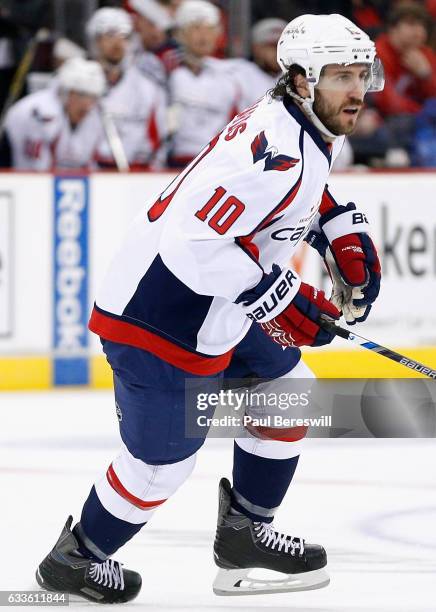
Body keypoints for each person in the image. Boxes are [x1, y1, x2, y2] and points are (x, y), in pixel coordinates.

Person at [36, 13, 383, 603]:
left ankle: (246, 533)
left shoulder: (300, 122)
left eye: (362, 75)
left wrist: (332, 221)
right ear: (302, 79)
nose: (356, 90)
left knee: (287, 392)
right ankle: (75, 560)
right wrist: (280, 296)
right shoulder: (275, 147)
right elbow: (191, 244)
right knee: (161, 466)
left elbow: (289, 192)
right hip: (159, 317)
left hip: (214, 301)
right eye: (339, 77)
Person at [87, 7, 167, 170]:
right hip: (92, 173)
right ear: (95, 40)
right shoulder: (79, 84)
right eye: (109, 35)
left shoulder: (148, 89)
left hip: (136, 174)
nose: (117, 43)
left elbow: (159, 140)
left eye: (123, 36)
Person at [168, 0, 240, 167]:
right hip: (172, 165)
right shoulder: (163, 71)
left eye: (210, 29)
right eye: (196, 28)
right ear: (181, 33)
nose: (203, 36)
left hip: (217, 163)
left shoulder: (234, 74)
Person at [0, 57, 105, 170]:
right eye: (81, 95)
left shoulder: (96, 113)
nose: (87, 104)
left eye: (93, 97)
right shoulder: (38, 112)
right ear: (65, 92)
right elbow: (38, 170)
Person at [375, 2, 436, 117]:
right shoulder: (378, 53)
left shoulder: (425, 53)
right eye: (411, 24)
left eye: (423, 26)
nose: (420, 32)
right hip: (386, 120)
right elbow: (388, 103)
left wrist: (426, 76)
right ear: (392, 28)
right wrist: (422, 113)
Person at [227, 18, 287, 109]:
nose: (279, 52)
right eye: (273, 46)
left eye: (284, 46)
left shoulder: (297, 78)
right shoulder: (238, 74)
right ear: (256, 48)